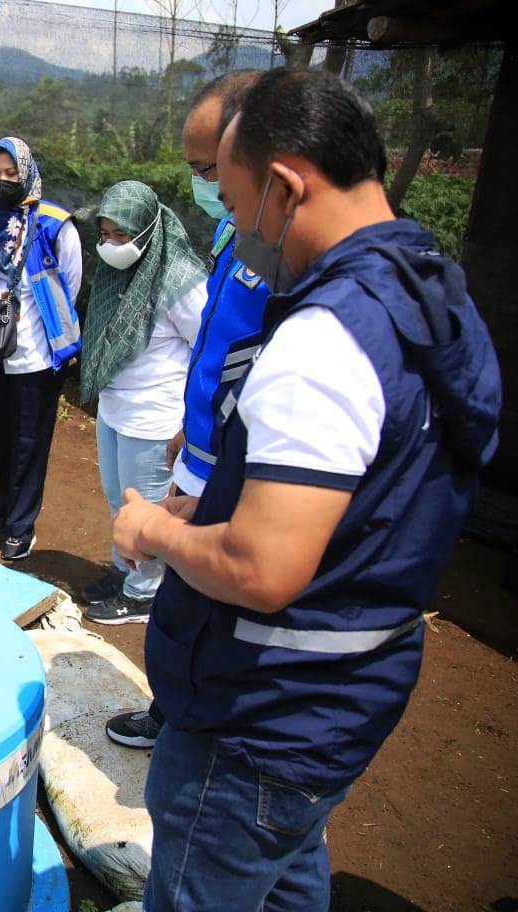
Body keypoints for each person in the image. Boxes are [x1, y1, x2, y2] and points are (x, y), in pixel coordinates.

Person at [113, 68, 500, 911]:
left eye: (238, 194)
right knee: (288, 879)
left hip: (259, 717)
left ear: (287, 185)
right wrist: (209, 508)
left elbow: (261, 569)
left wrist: (153, 531)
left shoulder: (324, 338)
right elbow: (372, 493)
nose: (237, 221)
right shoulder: (430, 291)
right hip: (349, 695)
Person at [103, 71, 266, 751]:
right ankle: (169, 712)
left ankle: (188, 729)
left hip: (230, 472)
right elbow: (216, 355)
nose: (206, 187)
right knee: (182, 611)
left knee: (197, 606)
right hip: (196, 453)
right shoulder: (236, 233)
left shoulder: (286, 261)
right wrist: (191, 433)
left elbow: (240, 358)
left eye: (209, 169)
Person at [80, 181, 207, 623]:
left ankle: (143, 593)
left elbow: (206, 350)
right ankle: (124, 572)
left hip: (154, 417)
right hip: (115, 408)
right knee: (119, 501)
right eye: (106, 234)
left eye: (122, 234)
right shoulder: (120, 272)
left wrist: (191, 421)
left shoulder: (180, 282)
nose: (112, 244)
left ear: (149, 229)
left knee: (147, 507)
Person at [0, 137, 83, 561]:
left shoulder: (54, 224)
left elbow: (70, 283)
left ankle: (21, 525)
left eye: (11, 174)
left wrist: (52, 337)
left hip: (37, 355)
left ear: (26, 173)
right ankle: (2, 509)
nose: (3, 182)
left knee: (31, 441)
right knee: (1, 437)